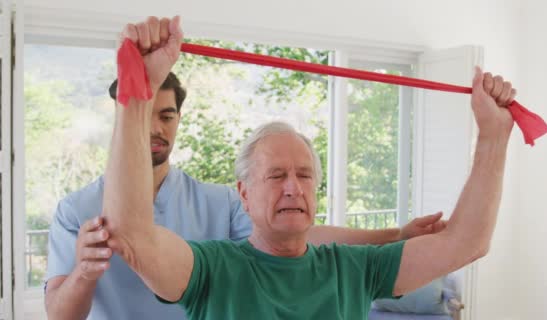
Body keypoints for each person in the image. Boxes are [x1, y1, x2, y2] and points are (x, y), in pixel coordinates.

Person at [102, 16, 515, 320]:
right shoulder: (211, 269)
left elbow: (466, 242)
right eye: (276, 175)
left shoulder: (355, 268)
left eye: (304, 175)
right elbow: (132, 235)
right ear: (243, 194)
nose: (293, 188)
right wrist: (138, 94)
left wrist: (494, 137)